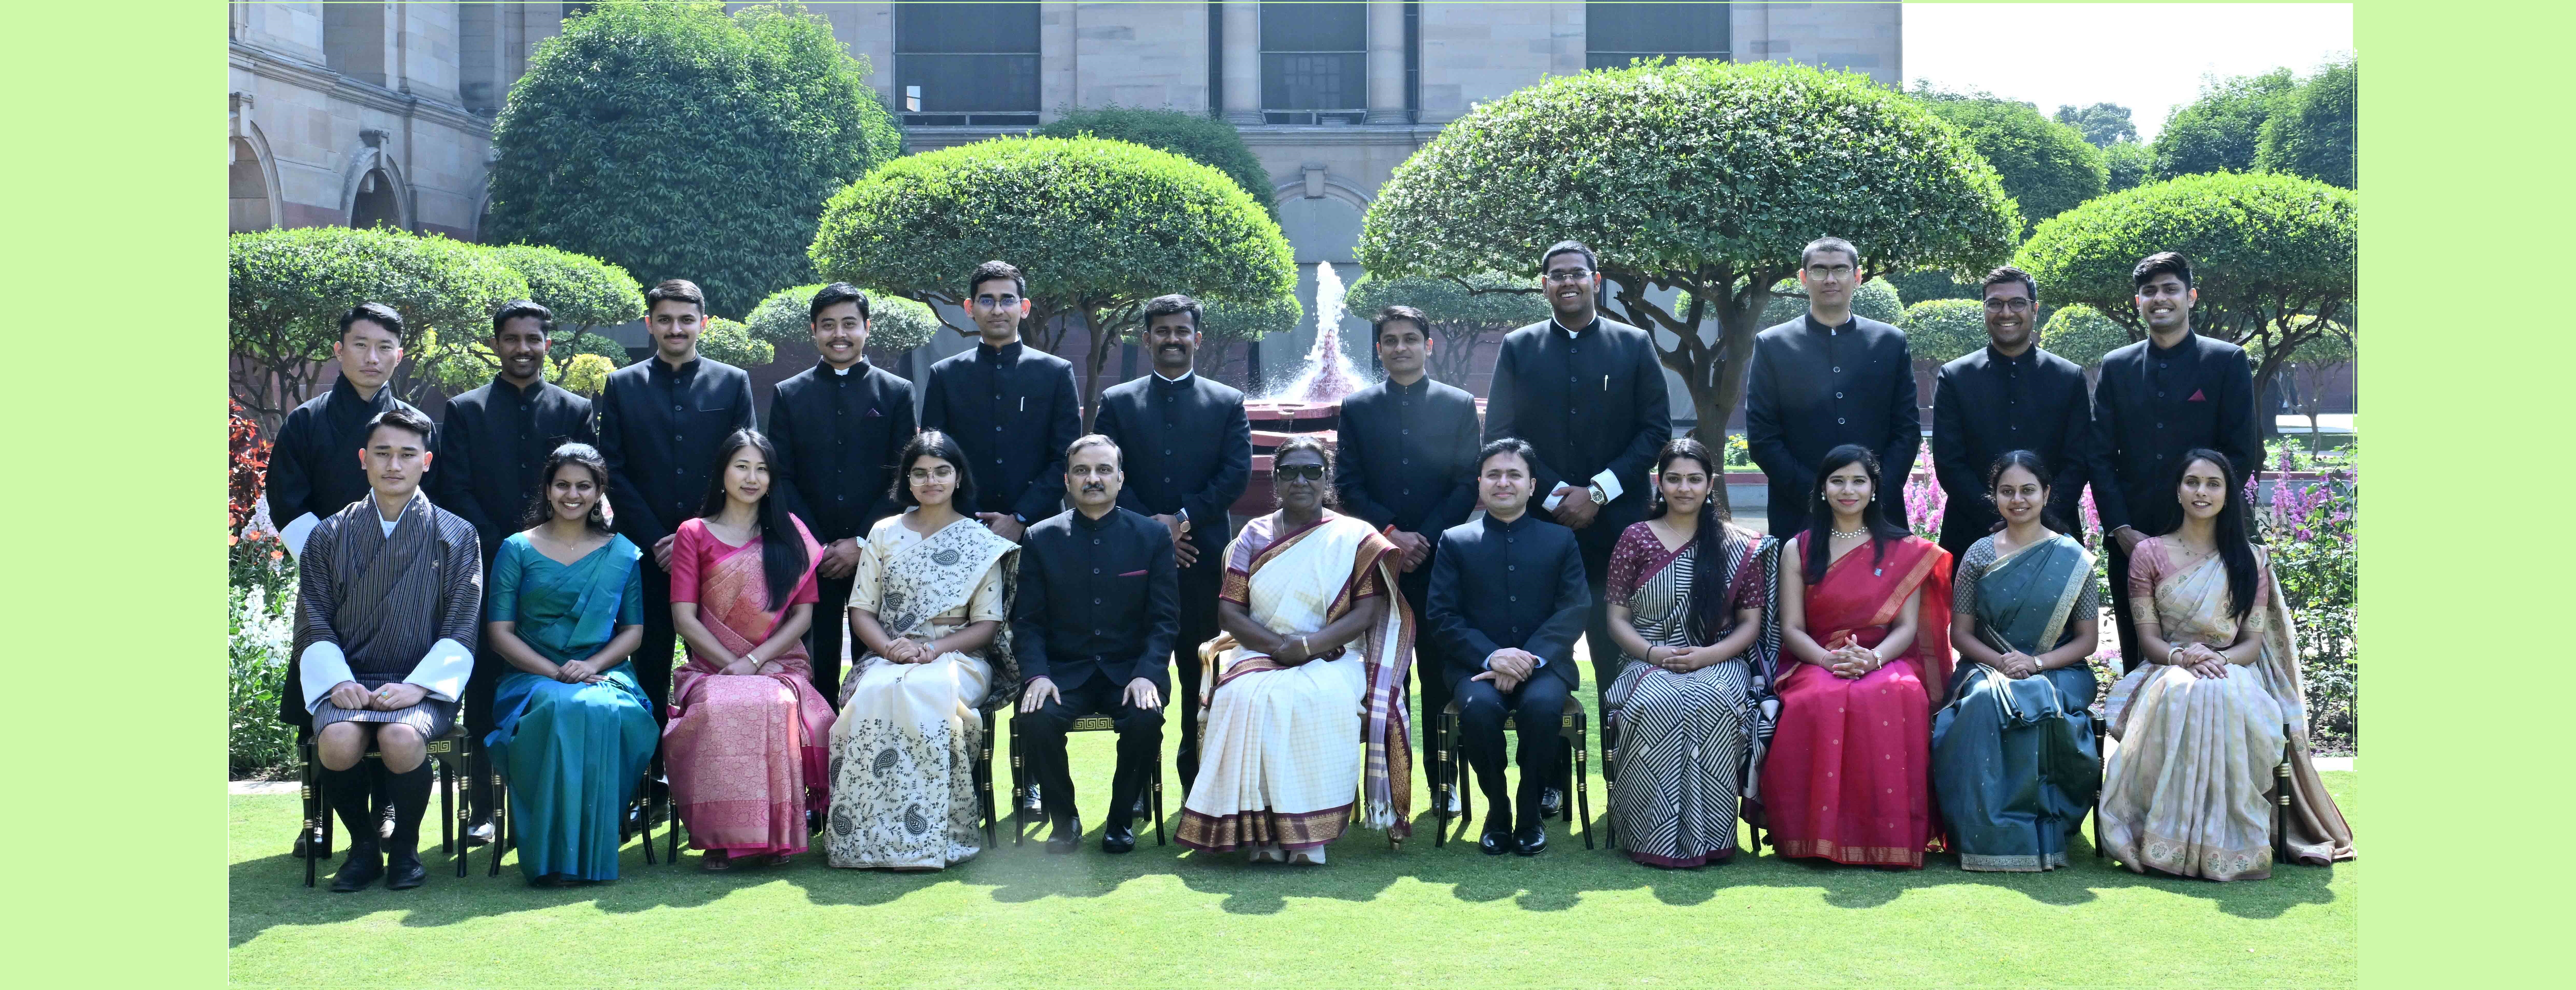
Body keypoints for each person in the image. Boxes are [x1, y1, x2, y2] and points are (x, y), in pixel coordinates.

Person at [2097, 450, 2355, 879]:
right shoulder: (2148, 554)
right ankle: (2169, 840)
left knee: (2217, 691)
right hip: (2166, 667)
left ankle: (2229, 841)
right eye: (2192, 482)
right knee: (2184, 690)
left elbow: (2251, 644)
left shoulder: (2249, 559)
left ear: (2227, 494)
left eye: (2212, 483)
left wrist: (2215, 658)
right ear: (2178, 491)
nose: (2201, 492)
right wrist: (2183, 657)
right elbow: (2148, 641)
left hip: (2231, 664)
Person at [1177, 436, 1414, 864]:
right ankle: (1261, 834)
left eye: (1311, 471)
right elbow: (1230, 613)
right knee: (1239, 697)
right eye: (1289, 472)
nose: (1300, 480)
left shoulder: (1352, 535)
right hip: (1258, 649)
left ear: (1327, 480)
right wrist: (1278, 648)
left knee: (1312, 698)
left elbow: (1368, 611)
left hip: (1334, 654)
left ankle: (1309, 838)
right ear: (1276, 481)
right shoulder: (1254, 533)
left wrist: (1306, 646)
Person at [290, 407, 481, 892]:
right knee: (336, 743)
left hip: (420, 684)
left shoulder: (456, 535)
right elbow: (313, 617)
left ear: (427, 461)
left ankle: (406, 848)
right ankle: (363, 846)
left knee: (401, 739)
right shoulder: (329, 534)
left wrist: (417, 685)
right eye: (383, 453)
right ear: (363, 460)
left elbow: (462, 623)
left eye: (407, 455)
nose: (394, 465)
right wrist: (338, 682)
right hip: (350, 682)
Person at [268, 302, 432, 855]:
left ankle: (385, 812)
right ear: (339, 351)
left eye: (385, 347)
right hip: (327, 582)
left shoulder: (411, 423)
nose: (372, 357)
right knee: (321, 694)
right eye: (360, 345)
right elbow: (286, 503)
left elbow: (435, 503)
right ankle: (317, 821)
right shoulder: (307, 421)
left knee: (390, 698)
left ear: (400, 355)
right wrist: (336, 561)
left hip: (402, 583)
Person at [435, 299, 600, 846]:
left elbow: (588, 485)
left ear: (547, 344)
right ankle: (484, 806)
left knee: (558, 678)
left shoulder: (574, 410)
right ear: (497, 343)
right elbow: (452, 490)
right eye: (513, 338)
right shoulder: (466, 410)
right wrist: (508, 548)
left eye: (534, 338)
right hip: (485, 568)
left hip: (562, 571)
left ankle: (554, 800)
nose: (524, 348)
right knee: (484, 687)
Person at [1483, 240, 1671, 710]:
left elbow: (1655, 431)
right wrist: (1555, 497)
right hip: (1539, 533)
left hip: (1619, 534)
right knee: (1540, 666)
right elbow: (1502, 434)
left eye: (1576, 274)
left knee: (1621, 669)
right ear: (1544, 285)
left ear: (1595, 281)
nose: (1568, 282)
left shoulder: (1632, 344)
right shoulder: (1519, 347)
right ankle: (1545, 784)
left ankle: (1624, 784)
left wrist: (1598, 493)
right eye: (1557, 275)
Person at [826, 430, 1022, 870]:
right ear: (907, 481)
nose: (930, 481)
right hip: (889, 652)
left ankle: (935, 839)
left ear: (958, 478)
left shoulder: (979, 541)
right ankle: (866, 841)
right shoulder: (883, 532)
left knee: (928, 691)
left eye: (941, 472)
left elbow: (988, 625)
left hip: (958, 656)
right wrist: (891, 651)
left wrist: (934, 649)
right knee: (875, 693)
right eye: (920, 473)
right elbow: (862, 612)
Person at [1759, 444, 1952, 869]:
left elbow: (1905, 629)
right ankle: (1813, 837)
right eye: (1838, 480)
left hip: (1884, 658)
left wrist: (1873, 660)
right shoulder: (1801, 548)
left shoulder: (1905, 550)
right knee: (1819, 699)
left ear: (1874, 489)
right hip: (1815, 658)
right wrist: (1829, 662)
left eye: (1858, 481)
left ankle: (1888, 837)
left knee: (1896, 693)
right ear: (1823, 488)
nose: (1848, 490)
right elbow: (1791, 629)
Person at [1093, 293, 1251, 795]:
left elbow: (1235, 475)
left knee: (1197, 669)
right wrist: (1152, 527)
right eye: (1161, 331)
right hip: (1130, 557)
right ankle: (1137, 784)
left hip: (1201, 558)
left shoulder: (1226, 402)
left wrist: (1180, 519)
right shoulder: (1119, 403)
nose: (1172, 339)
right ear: (1146, 339)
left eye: (1181, 331)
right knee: (1138, 665)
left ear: (1197, 338)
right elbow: (1104, 470)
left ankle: (1197, 778)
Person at [480, 443, 656, 885]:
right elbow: (500, 632)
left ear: (600, 491)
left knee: (603, 708)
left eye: (583, 486)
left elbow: (633, 632)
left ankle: (591, 851)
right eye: (562, 485)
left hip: (604, 672)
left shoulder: (621, 553)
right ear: (547, 488)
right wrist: (555, 672)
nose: (572, 495)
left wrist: (590, 664)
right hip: (530, 676)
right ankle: (549, 856)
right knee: (562, 706)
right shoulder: (517, 549)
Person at [1600, 438, 1779, 868]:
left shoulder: (1738, 544)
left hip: (1721, 660)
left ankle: (1713, 835)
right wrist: (1653, 654)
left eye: (1694, 479)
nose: (1684, 488)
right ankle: (1647, 832)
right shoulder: (1635, 539)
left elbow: (1750, 625)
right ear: (1658, 483)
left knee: (1708, 700)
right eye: (1674, 479)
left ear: (1709, 484)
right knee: (1657, 702)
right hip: (1646, 660)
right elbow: (1617, 619)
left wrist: (1706, 657)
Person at [663, 429, 836, 871]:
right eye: (742, 466)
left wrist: (755, 664)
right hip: (710, 669)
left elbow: (802, 618)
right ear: (722, 473)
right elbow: (685, 618)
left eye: (762, 469)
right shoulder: (694, 533)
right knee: (718, 707)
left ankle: (776, 839)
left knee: (776, 702)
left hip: (777, 664)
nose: (752, 477)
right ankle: (719, 841)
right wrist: (733, 667)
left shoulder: (790, 534)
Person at [1334, 304, 1483, 802]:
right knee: (1379, 676)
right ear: (1379, 349)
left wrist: (1425, 538)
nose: (1401, 347)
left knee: (1440, 674)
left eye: (1410, 339)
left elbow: (1467, 484)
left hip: (1440, 563)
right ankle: (1376, 787)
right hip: (1377, 563)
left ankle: (1446, 785)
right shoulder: (1357, 409)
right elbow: (1348, 485)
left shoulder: (1458, 404)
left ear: (1428, 345)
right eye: (1391, 340)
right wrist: (1393, 534)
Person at [2087, 253, 2263, 670]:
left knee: (2218, 661)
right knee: (2139, 657)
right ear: (2138, 302)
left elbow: (2243, 451)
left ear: (2191, 297)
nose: (2159, 299)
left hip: (2214, 541)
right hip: (2134, 540)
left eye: (2170, 289)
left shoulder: (2226, 362)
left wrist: (2201, 527)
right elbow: (2097, 454)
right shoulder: (2117, 367)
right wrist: (2122, 530)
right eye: (2149, 291)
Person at [596, 278, 759, 727]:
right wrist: (657, 540)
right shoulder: (622, 385)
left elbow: (745, 465)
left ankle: (710, 783)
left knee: (719, 666)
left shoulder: (731, 383)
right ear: (650, 324)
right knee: (646, 666)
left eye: (686, 320)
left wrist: (699, 537)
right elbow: (613, 468)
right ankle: (648, 785)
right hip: (644, 554)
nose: (676, 329)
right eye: (665, 320)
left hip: (717, 553)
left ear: (703, 324)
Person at [1930, 451, 2101, 872]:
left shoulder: (2072, 558)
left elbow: (2087, 641)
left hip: (2059, 669)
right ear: (1994, 497)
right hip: (1987, 666)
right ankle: (1985, 833)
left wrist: (2036, 664)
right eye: (2007, 491)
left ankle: (2045, 828)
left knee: (2037, 698)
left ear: (2046, 494)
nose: (2018, 499)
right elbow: (1961, 634)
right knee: (1984, 701)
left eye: (2028, 490)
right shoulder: (1977, 555)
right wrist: (2004, 663)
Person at [1013, 435, 1180, 853]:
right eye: (1083, 471)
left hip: (1131, 670)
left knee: (1145, 720)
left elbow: (1165, 621)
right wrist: (1036, 676)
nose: (1094, 479)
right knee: (1036, 718)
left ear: (1120, 479)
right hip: (1063, 674)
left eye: (1104, 470)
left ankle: (1121, 818)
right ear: (1067, 480)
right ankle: (1063, 819)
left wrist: (1147, 674)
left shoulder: (1152, 537)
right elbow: (1028, 623)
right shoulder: (1039, 539)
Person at [1427, 438, 1591, 857]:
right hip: (1473, 668)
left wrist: (1529, 657)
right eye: (1494, 475)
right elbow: (1442, 616)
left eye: (1514, 475)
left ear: (1533, 486)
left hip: (1545, 667)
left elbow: (1574, 609)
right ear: (1480, 483)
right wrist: (1492, 656)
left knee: (1540, 707)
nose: (1504, 482)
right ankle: (1497, 809)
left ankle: (1530, 810)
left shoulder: (1560, 540)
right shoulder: (1455, 540)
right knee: (1479, 709)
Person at [767, 283, 920, 703]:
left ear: (867, 329)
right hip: (808, 556)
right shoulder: (789, 394)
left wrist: (859, 542)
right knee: (814, 667)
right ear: (814, 331)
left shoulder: (895, 392)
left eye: (850, 324)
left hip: (877, 552)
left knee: (878, 667)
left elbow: (903, 476)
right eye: (828, 325)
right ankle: (813, 761)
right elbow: (780, 476)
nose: (840, 334)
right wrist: (816, 546)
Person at [1746, 237, 1921, 536]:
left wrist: (1874, 493)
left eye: (1840, 270)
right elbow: (1763, 438)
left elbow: (1906, 430)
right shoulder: (1773, 345)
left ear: (1856, 277)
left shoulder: (1889, 343)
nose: (1830, 279)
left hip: (1879, 513)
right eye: (1818, 270)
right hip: (1799, 512)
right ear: (1803, 278)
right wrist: (1817, 496)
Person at [1929, 268, 2094, 559]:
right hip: (1973, 530)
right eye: (1995, 304)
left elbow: (2077, 461)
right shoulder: (1956, 377)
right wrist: (1999, 516)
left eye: (2017, 303)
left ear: (2034, 309)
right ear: (1984, 310)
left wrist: (2037, 517)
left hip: (2052, 531)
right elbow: (1949, 462)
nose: (2006, 313)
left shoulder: (2068, 377)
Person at [918, 260, 1082, 545]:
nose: (997, 310)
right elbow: (936, 459)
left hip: (1040, 528)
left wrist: (1019, 518)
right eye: (987, 300)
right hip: (960, 528)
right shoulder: (945, 375)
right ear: (970, 309)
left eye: (1007, 300)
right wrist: (973, 519)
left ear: (1024, 307)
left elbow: (1064, 460)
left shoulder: (1055, 373)